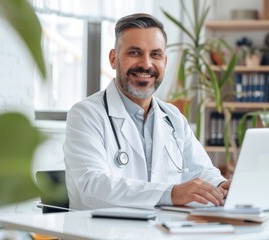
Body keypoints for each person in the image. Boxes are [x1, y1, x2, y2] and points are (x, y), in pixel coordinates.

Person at [63, 13, 230, 210]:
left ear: (165, 62)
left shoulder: (173, 118)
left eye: (155, 54)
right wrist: (171, 194)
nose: (146, 64)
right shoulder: (85, 115)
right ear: (114, 59)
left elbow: (201, 171)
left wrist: (221, 186)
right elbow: (91, 186)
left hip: (159, 231)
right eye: (134, 53)